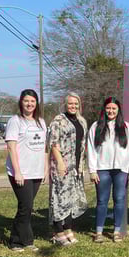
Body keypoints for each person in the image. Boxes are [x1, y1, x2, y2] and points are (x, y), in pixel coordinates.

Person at [87, 97, 129, 243]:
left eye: (114, 109)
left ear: (118, 110)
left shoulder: (126, 127)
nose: (111, 111)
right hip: (102, 169)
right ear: (104, 109)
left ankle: (116, 231)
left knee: (119, 199)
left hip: (121, 170)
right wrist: (92, 170)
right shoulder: (96, 126)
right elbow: (91, 149)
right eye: (108, 108)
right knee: (102, 200)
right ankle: (99, 232)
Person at [5, 89, 47, 252]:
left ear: (36, 103)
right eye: (26, 101)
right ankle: (16, 241)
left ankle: (27, 240)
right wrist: (17, 171)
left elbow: (44, 147)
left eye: (32, 101)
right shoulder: (15, 121)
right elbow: (11, 147)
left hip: (36, 170)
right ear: (21, 102)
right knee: (26, 206)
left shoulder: (41, 122)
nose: (29, 104)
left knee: (27, 207)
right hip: (21, 171)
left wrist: (44, 169)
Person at [47, 93, 88, 245]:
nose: (73, 106)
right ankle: (58, 231)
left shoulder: (81, 121)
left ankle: (68, 228)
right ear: (65, 104)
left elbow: (81, 144)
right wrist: (60, 163)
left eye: (76, 104)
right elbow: (53, 143)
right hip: (61, 166)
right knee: (59, 198)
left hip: (75, 167)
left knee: (71, 199)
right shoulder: (58, 121)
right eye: (70, 104)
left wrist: (81, 165)